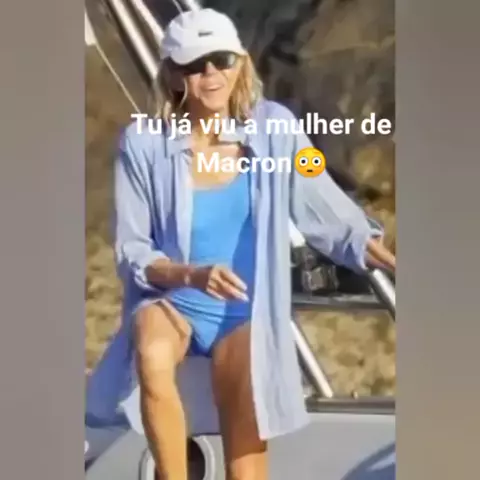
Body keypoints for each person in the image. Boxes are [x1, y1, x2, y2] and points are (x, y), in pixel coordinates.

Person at [93, 7, 396, 480]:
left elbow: (319, 192)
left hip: (246, 315)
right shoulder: (142, 143)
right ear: (173, 75)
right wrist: (191, 275)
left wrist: (370, 244)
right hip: (173, 302)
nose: (212, 74)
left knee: (246, 464)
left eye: (222, 60)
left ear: (241, 63)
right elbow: (132, 249)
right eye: (196, 65)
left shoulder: (278, 128)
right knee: (151, 350)